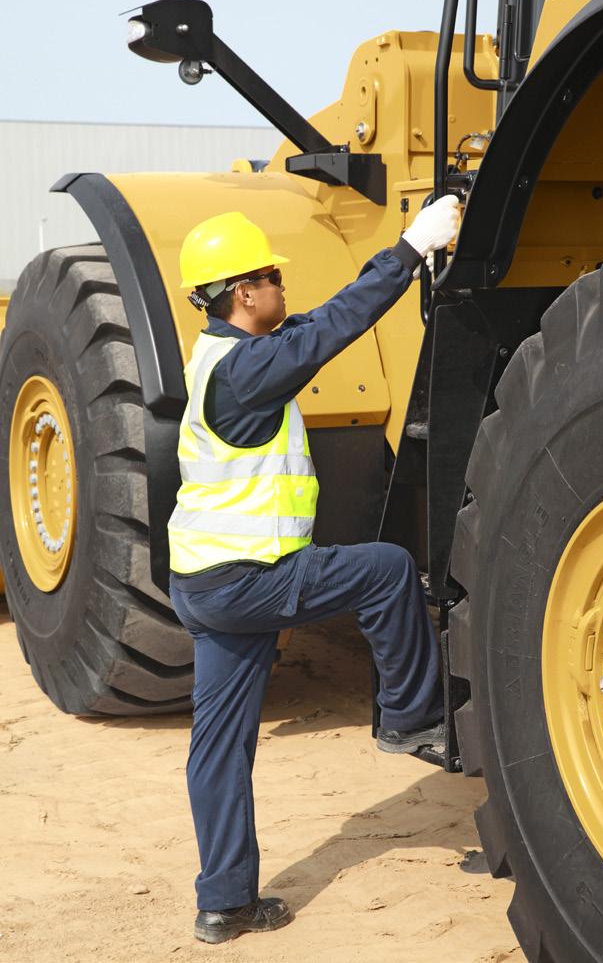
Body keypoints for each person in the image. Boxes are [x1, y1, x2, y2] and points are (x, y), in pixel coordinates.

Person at [168, 197, 460, 945]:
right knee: (388, 570)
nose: (281, 284)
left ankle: (223, 904)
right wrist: (409, 248)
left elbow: (319, 319)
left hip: (205, 583)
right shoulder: (247, 371)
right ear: (242, 291)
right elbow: (333, 328)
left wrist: (396, 261)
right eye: (271, 275)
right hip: (245, 580)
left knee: (219, 747)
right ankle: (407, 717)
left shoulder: (220, 358)